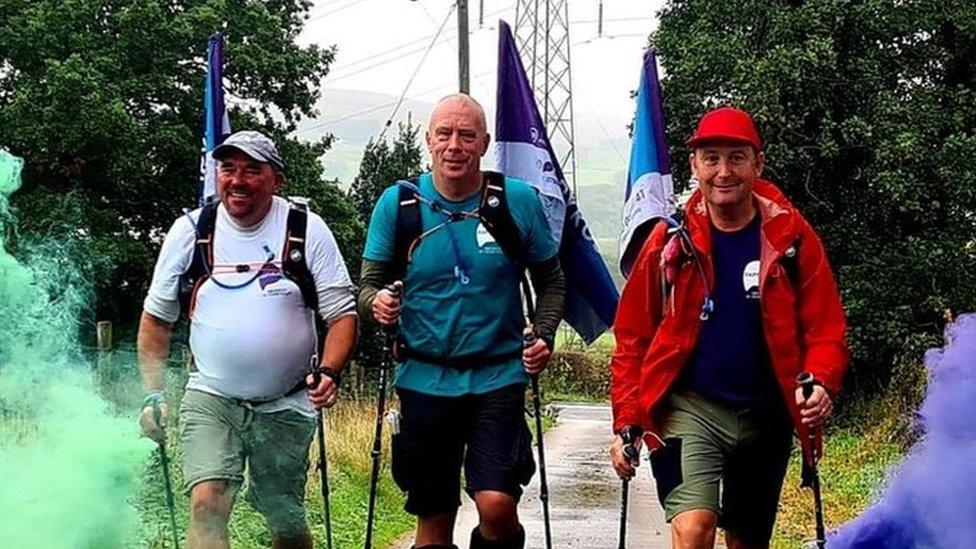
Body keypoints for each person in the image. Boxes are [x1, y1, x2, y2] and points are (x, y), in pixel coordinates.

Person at [609, 107, 849, 549]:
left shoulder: (791, 238)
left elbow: (825, 328)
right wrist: (627, 419)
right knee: (693, 528)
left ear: (758, 164)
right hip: (689, 408)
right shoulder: (669, 241)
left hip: (768, 411)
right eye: (711, 157)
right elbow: (632, 338)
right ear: (695, 165)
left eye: (737, 158)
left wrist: (822, 383)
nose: (724, 171)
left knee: (746, 542)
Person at [358, 94, 566, 549]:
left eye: (466, 136)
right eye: (445, 134)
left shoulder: (516, 201)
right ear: (428, 140)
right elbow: (368, 286)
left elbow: (551, 280)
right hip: (424, 378)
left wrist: (544, 335)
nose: (455, 146)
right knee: (433, 521)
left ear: (484, 143)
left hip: (498, 376)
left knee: (497, 505)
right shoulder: (400, 205)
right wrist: (379, 305)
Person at [137, 130, 357, 549]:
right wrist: (153, 395)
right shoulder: (189, 232)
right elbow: (155, 322)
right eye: (228, 168)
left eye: (251, 170)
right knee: (206, 503)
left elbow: (342, 315)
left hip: (288, 401)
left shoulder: (306, 229)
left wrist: (329, 370)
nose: (236, 180)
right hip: (211, 395)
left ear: (276, 179)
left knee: (284, 518)